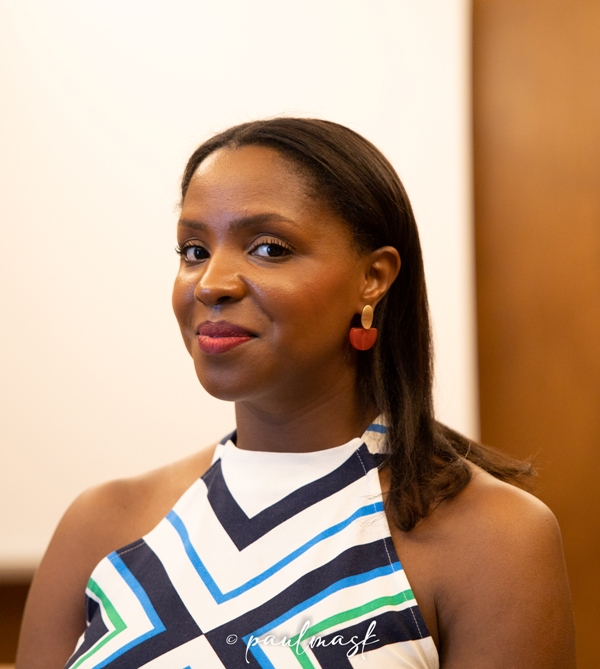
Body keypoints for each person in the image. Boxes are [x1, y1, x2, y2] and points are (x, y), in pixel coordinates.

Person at [16, 118, 576, 668]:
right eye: (194, 250)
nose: (210, 283)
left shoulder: (493, 540)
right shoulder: (103, 525)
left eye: (268, 248)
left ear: (373, 278)